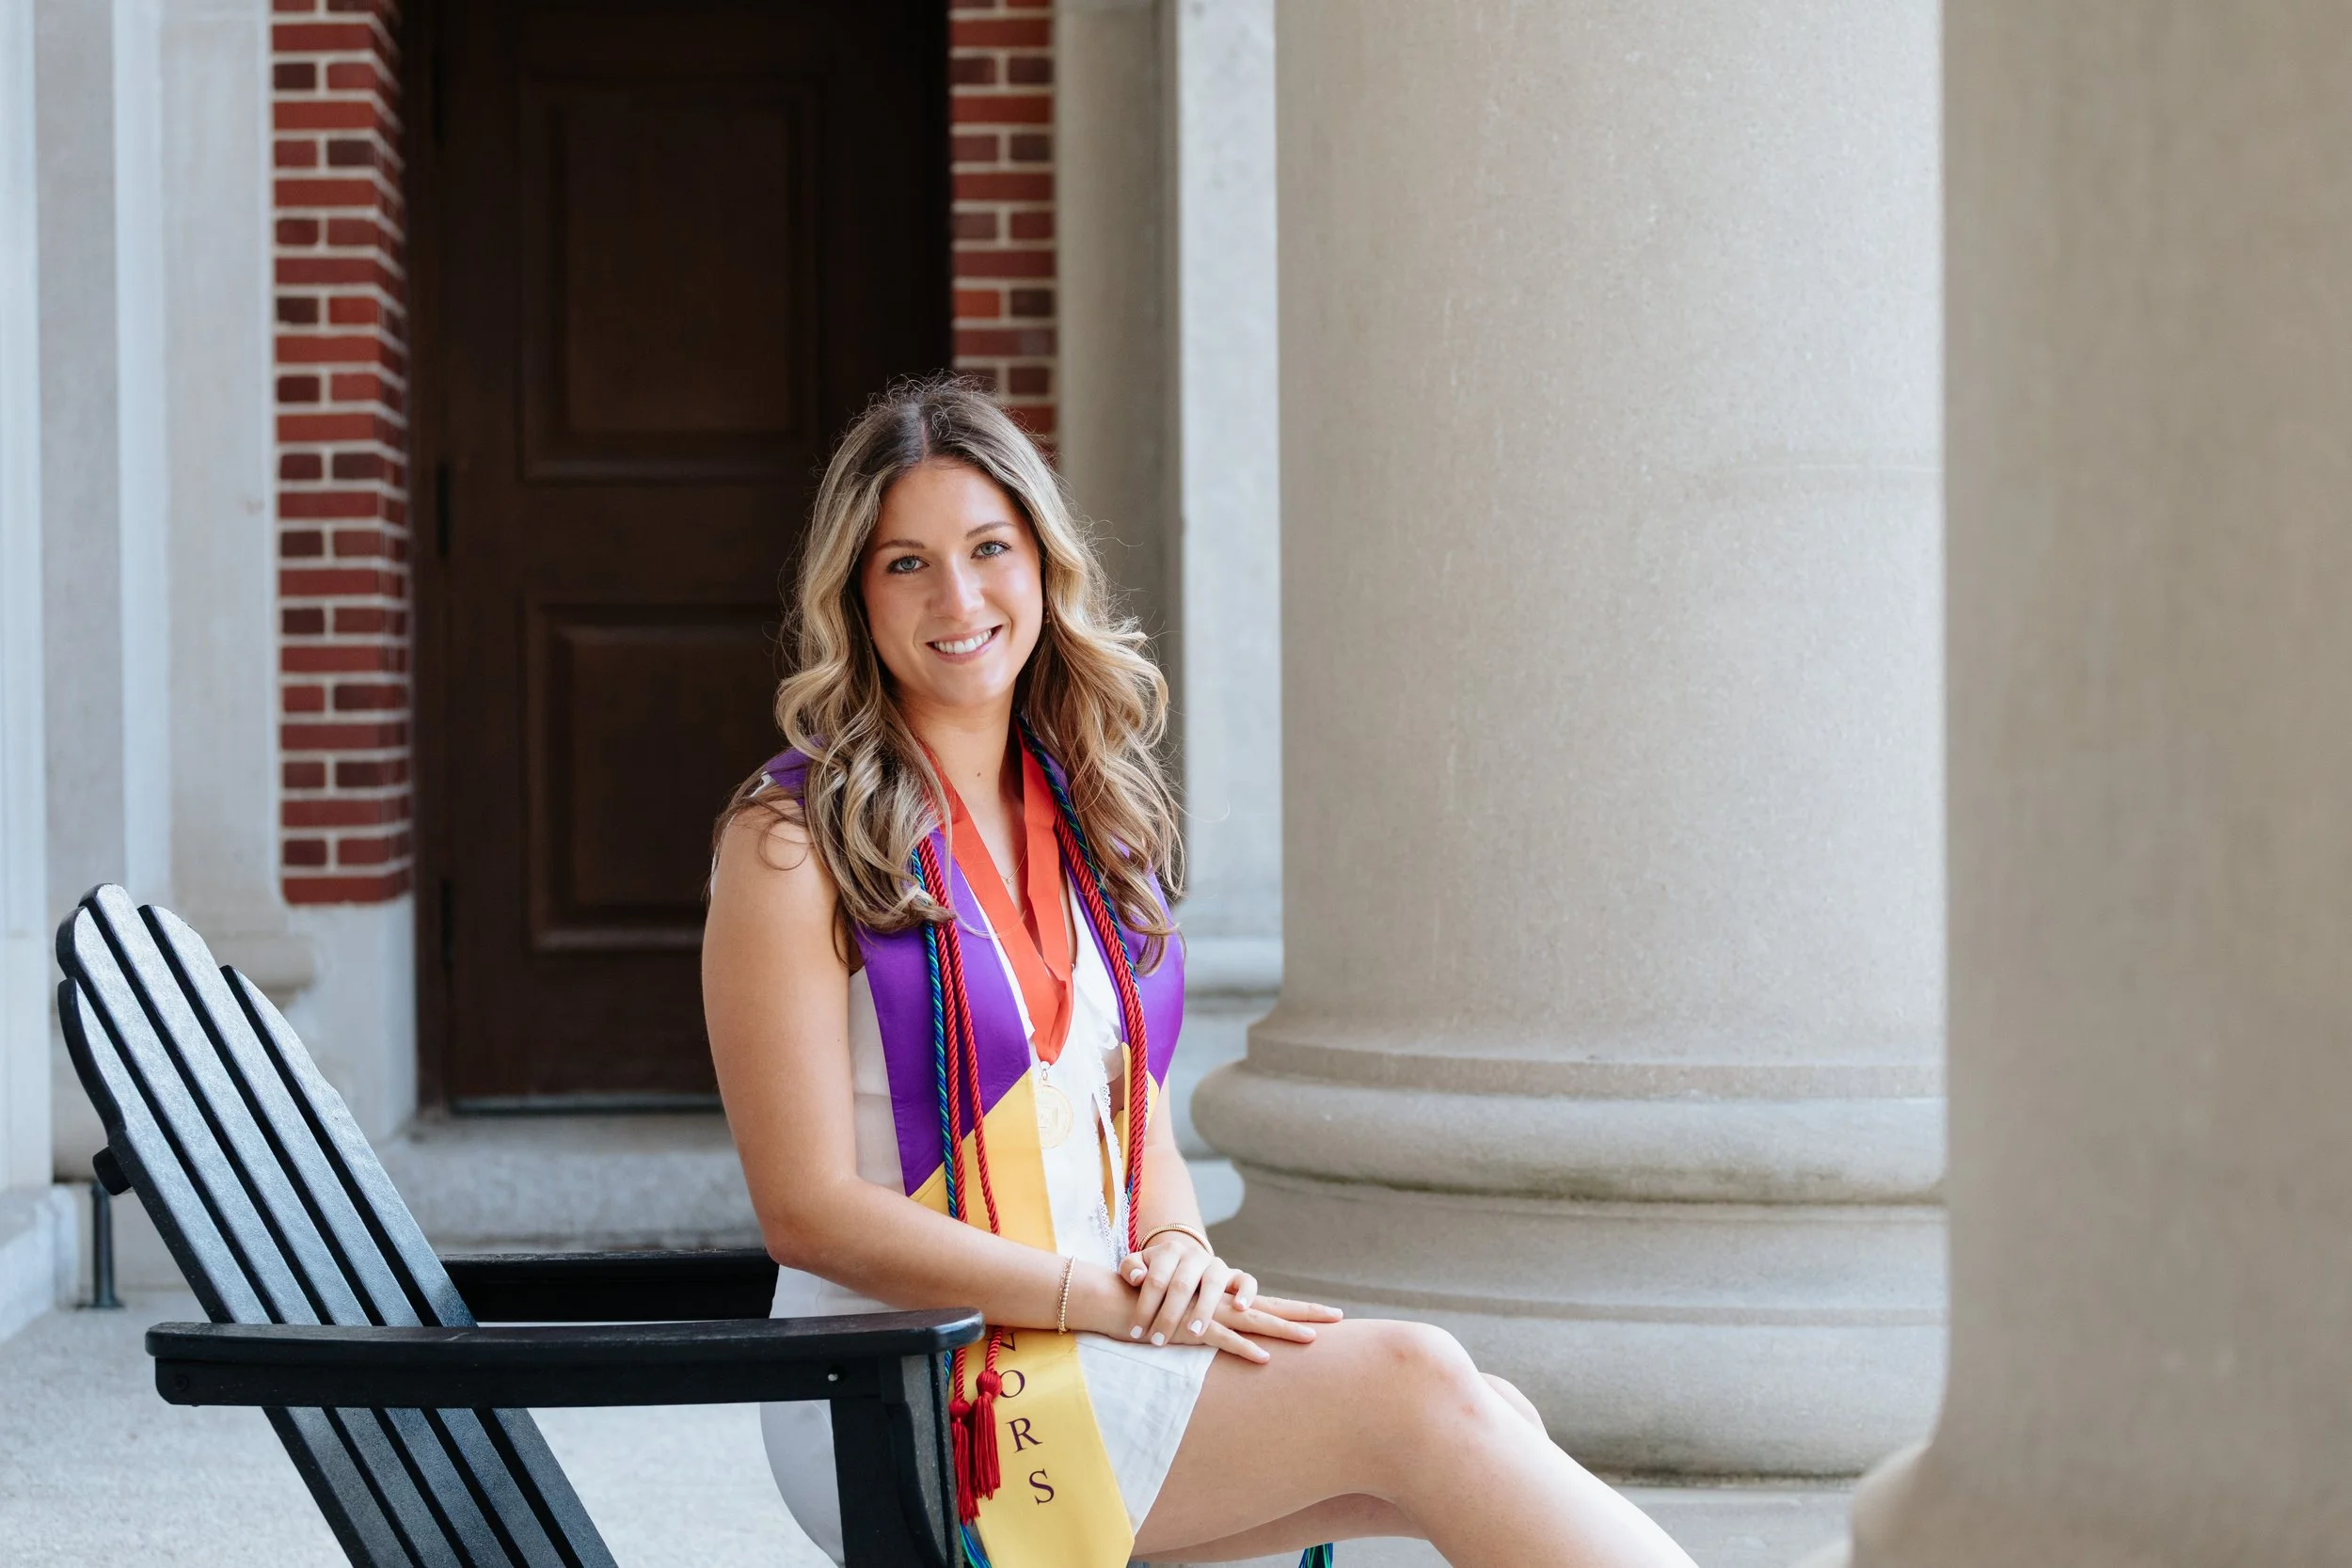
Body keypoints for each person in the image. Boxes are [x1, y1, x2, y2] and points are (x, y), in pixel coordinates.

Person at [703, 378, 1697, 1568]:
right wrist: (1106, 1298)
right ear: (856, 596)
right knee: (1422, 1387)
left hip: (1089, 1338)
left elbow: (1140, 1136)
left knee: (1486, 1419)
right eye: (905, 563)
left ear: (1043, 565)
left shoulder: (1088, 819)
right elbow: (804, 1209)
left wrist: (1175, 1250)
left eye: (988, 548)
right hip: (906, 1382)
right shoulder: (793, 840)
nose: (957, 597)